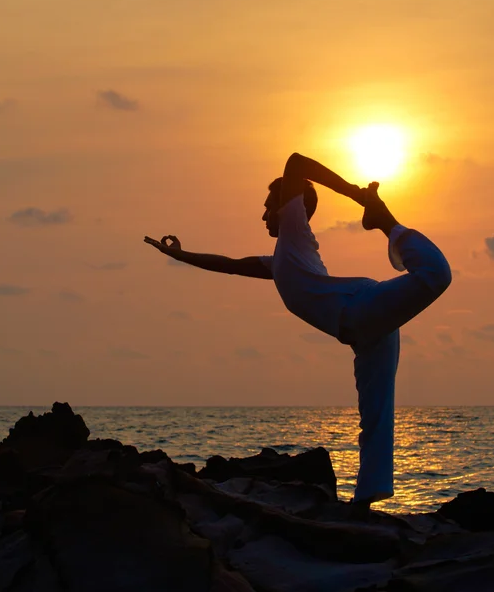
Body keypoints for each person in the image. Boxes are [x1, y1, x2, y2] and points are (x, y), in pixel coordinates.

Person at [144, 152, 451, 513]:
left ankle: (385, 221)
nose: (263, 215)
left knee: (436, 274)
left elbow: (296, 161)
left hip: (362, 306)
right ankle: (366, 499)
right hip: (361, 328)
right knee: (376, 414)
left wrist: (356, 195)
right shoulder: (282, 259)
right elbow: (228, 265)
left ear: (287, 204)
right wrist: (181, 256)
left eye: (267, 206)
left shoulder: (293, 223)